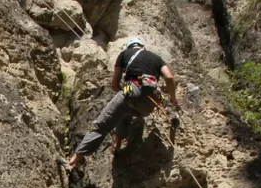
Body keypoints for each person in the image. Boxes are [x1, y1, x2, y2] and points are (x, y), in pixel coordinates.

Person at [68, 38, 181, 169]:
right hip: (152, 100)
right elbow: (169, 77)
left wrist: (127, 92)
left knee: (102, 124)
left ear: (129, 48)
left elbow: (115, 85)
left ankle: (76, 158)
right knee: (127, 111)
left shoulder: (124, 54)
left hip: (131, 90)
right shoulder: (156, 58)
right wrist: (173, 99)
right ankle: (119, 140)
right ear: (143, 47)